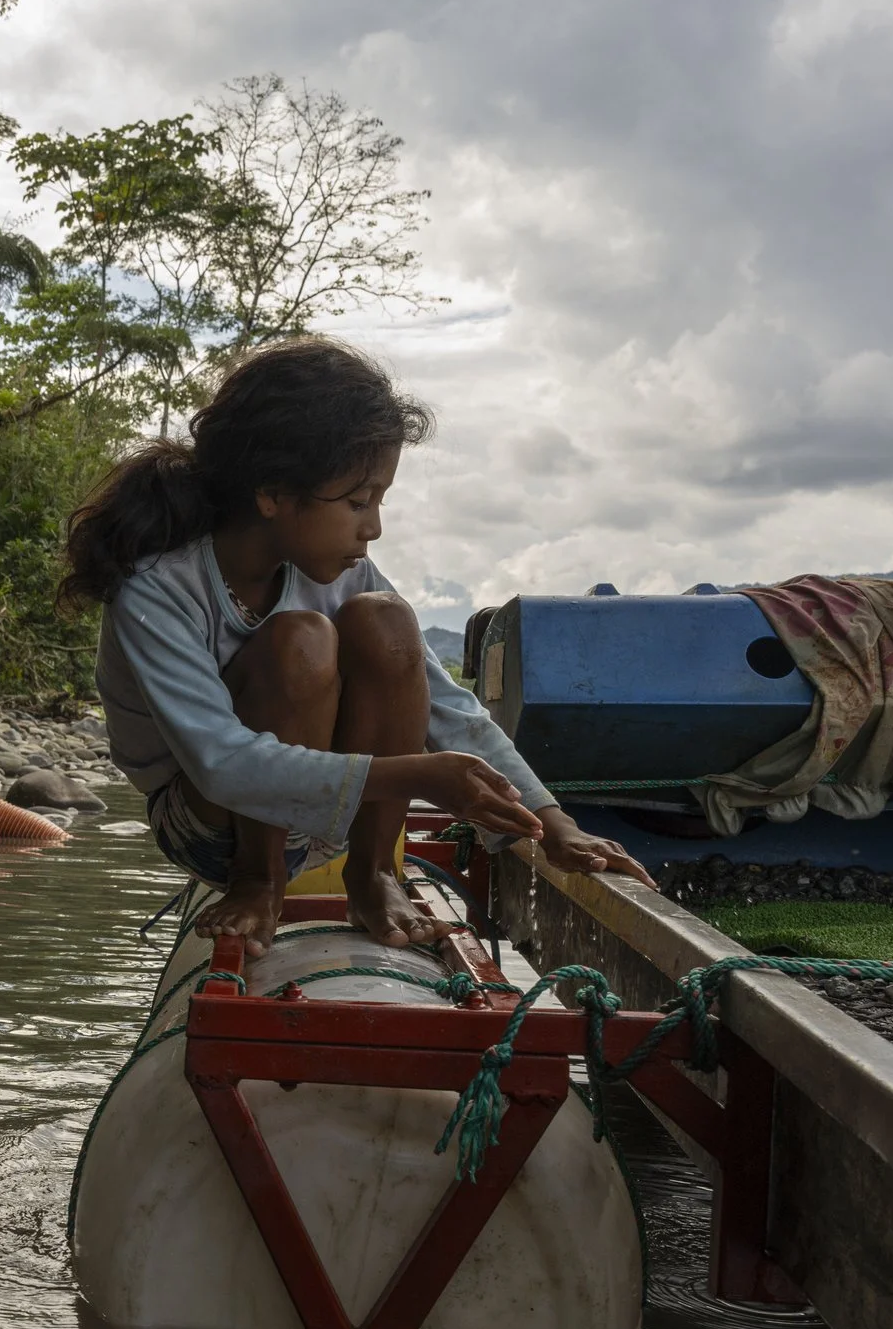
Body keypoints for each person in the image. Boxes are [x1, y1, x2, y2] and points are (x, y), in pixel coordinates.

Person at [66, 338, 648, 952]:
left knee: (387, 620)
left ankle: (373, 874)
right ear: (272, 493)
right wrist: (419, 775)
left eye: (378, 502)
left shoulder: (348, 573)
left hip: (325, 812)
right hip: (208, 826)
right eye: (357, 502)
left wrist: (551, 821)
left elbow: (450, 707)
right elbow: (220, 763)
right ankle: (259, 880)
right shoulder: (158, 588)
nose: (373, 527)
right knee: (299, 641)